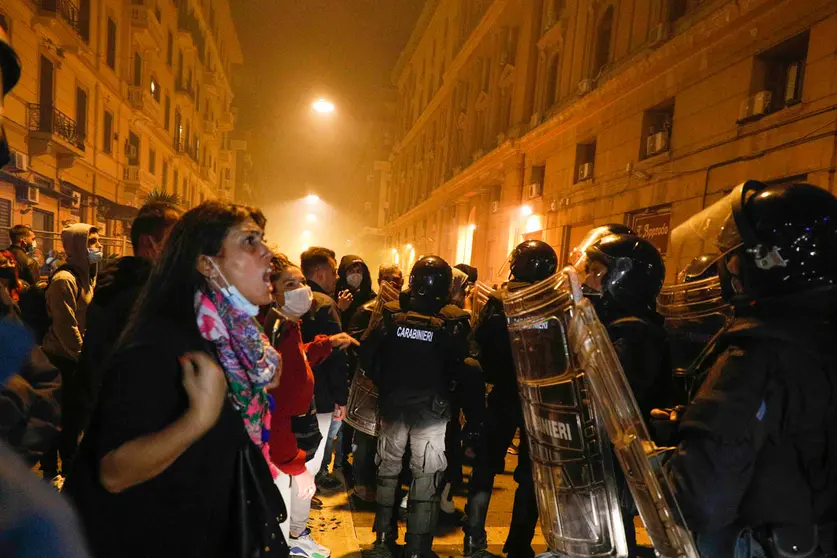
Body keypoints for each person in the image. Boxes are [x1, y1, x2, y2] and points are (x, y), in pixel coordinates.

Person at [64, 202, 285, 558]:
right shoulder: (165, 344)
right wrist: (197, 419)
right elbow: (114, 472)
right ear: (206, 263)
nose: (267, 253)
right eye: (249, 242)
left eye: (263, 240)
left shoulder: (231, 341)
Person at [663, 181, 837, 557]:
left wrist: (668, 463)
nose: (728, 266)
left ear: (770, 260)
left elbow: (702, 501)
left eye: (736, 255)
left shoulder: (759, 351)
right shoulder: (819, 333)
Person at [362, 256, 470, 558]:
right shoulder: (454, 320)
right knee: (426, 479)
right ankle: (418, 548)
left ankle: (383, 539)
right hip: (432, 413)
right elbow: (465, 366)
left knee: (388, 473)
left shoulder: (390, 314)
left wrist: (386, 384)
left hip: (394, 406)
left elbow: (368, 356)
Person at [572, 233, 671, 557]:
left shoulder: (634, 333)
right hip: (603, 457)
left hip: (613, 458)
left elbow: (607, 393)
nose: (589, 279)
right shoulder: (616, 327)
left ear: (624, 278)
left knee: (610, 536)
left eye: (598, 272)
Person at [463, 240, 558, 558]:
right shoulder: (557, 303)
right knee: (532, 474)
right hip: (541, 399)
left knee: (486, 467)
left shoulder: (499, 301)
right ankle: (518, 544)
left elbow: (480, 345)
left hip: (503, 394)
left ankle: (474, 538)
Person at [265, 253, 357, 557]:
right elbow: (276, 393)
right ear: (273, 290)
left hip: (295, 427)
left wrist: (326, 344)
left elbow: (297, 360)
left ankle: (296, 537)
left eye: (302, 281)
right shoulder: (276, 327)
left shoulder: (289, 325)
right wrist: (294, 460)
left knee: (297, 488)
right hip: (285, 432)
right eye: (290, 283)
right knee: (289, 489)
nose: (302, 288)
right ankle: (291, 540)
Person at [74, 201, 182, 438]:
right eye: (174, 240)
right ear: (148, 243)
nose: (180, 249)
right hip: (131, 427)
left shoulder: (122, 283)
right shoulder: (140, 296)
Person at [40, 223, 101, 480]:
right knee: (58, 419)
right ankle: (53, 473)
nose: (97, 247)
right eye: (91, 242)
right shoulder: (64, 280)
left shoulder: (87, 274)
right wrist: (82, 357)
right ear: (76, 245)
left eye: (97, 241)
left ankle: (67, 470)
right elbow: (66, 327)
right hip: (60, 359)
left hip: (75, 357)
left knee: (73, 419)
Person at [346, 263, 404, 504]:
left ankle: (380, 484)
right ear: (380, 280)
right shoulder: (366, 310)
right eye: (389, 279)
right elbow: (354, 345)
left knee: (387, 438)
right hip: (368, 382)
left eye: (398, 279)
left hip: (391, 385)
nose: (394, 283)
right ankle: (361, 483)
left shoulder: (403, 312)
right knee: (364, 438)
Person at [300, 247, 349, 491]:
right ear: (319, 273)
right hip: (322, 394)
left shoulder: (291, 299)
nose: (336, 277)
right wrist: (341, 397)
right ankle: (299, 519)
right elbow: (336, 356)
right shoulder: (326, 305)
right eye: (332, 271)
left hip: (296, 391)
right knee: (314, 454)